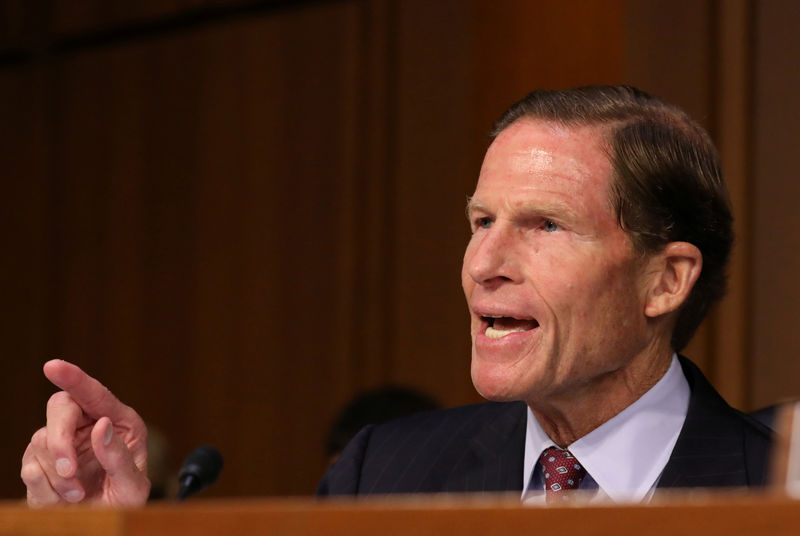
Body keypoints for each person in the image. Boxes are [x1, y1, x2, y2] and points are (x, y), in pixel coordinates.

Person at [20, 86, 771, 507]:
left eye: (545, 224)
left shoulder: (775, 489)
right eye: (481, 221)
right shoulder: (384, 475)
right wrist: (116, 531)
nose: (484, 262)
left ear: (666, 280)